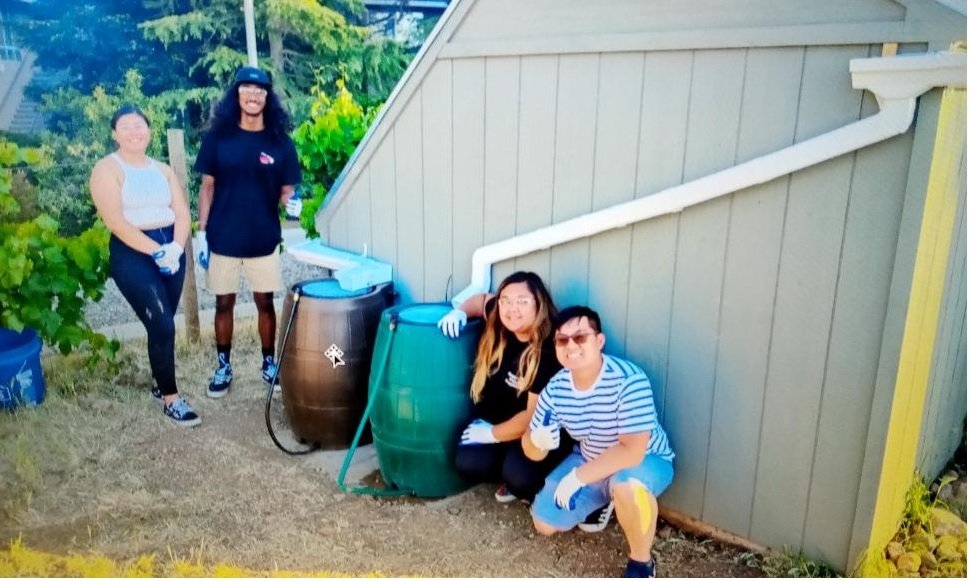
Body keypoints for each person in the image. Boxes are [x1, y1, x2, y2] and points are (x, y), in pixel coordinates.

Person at [438, 272, 611, 527]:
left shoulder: (550, 348)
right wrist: (460, 312)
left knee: (520, 477)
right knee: (468, 460)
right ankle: (513, 471)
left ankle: (592, 499)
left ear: (539, 303)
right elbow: (480, 301)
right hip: (509, 425)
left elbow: (532, 416)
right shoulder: (501, 317)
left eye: (522, 301)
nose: (511, 308)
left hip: (544, 434)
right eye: (505, 300)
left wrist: (491, 434)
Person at [522, 306, 676, 578]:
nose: (571, 345)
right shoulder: (555, 389)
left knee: (626, 485)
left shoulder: (629, 380)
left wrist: (578, 478)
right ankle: (605, 501)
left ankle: (641, 564)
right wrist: (537, 441)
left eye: (580, 337)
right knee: (544, 523)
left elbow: (632, 451)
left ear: (599, 340)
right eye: (562, 339)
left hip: (646, 460)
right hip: (591, 458)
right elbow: (532, 451)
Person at [193, 66, 302, 398]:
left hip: (264, 239)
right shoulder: (218, 138)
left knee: (264, 304)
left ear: (267, 97)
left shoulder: (280, 143)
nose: (253, 95)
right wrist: (201, 232)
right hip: (223, 238)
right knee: (223, 304)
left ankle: (269, 364)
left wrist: (293, 204)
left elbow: (287, 192)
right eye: (247, 89)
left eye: (260, 90)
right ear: (237, 94)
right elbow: (207, 188)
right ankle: (223, 366)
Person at [89, 104, 200, 427]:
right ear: (114, 133)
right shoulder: (107, 169)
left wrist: (176, 248)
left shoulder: (162, 169)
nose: (134, 131)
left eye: (139, 125)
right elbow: (116, 221)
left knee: (160, 326)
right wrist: (157, 251)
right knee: (164, 324)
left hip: (171, 249)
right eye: (126, 126)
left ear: (149, 130)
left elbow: (181, 213)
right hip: (133, 252)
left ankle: (159, 382)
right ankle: (171, 400)